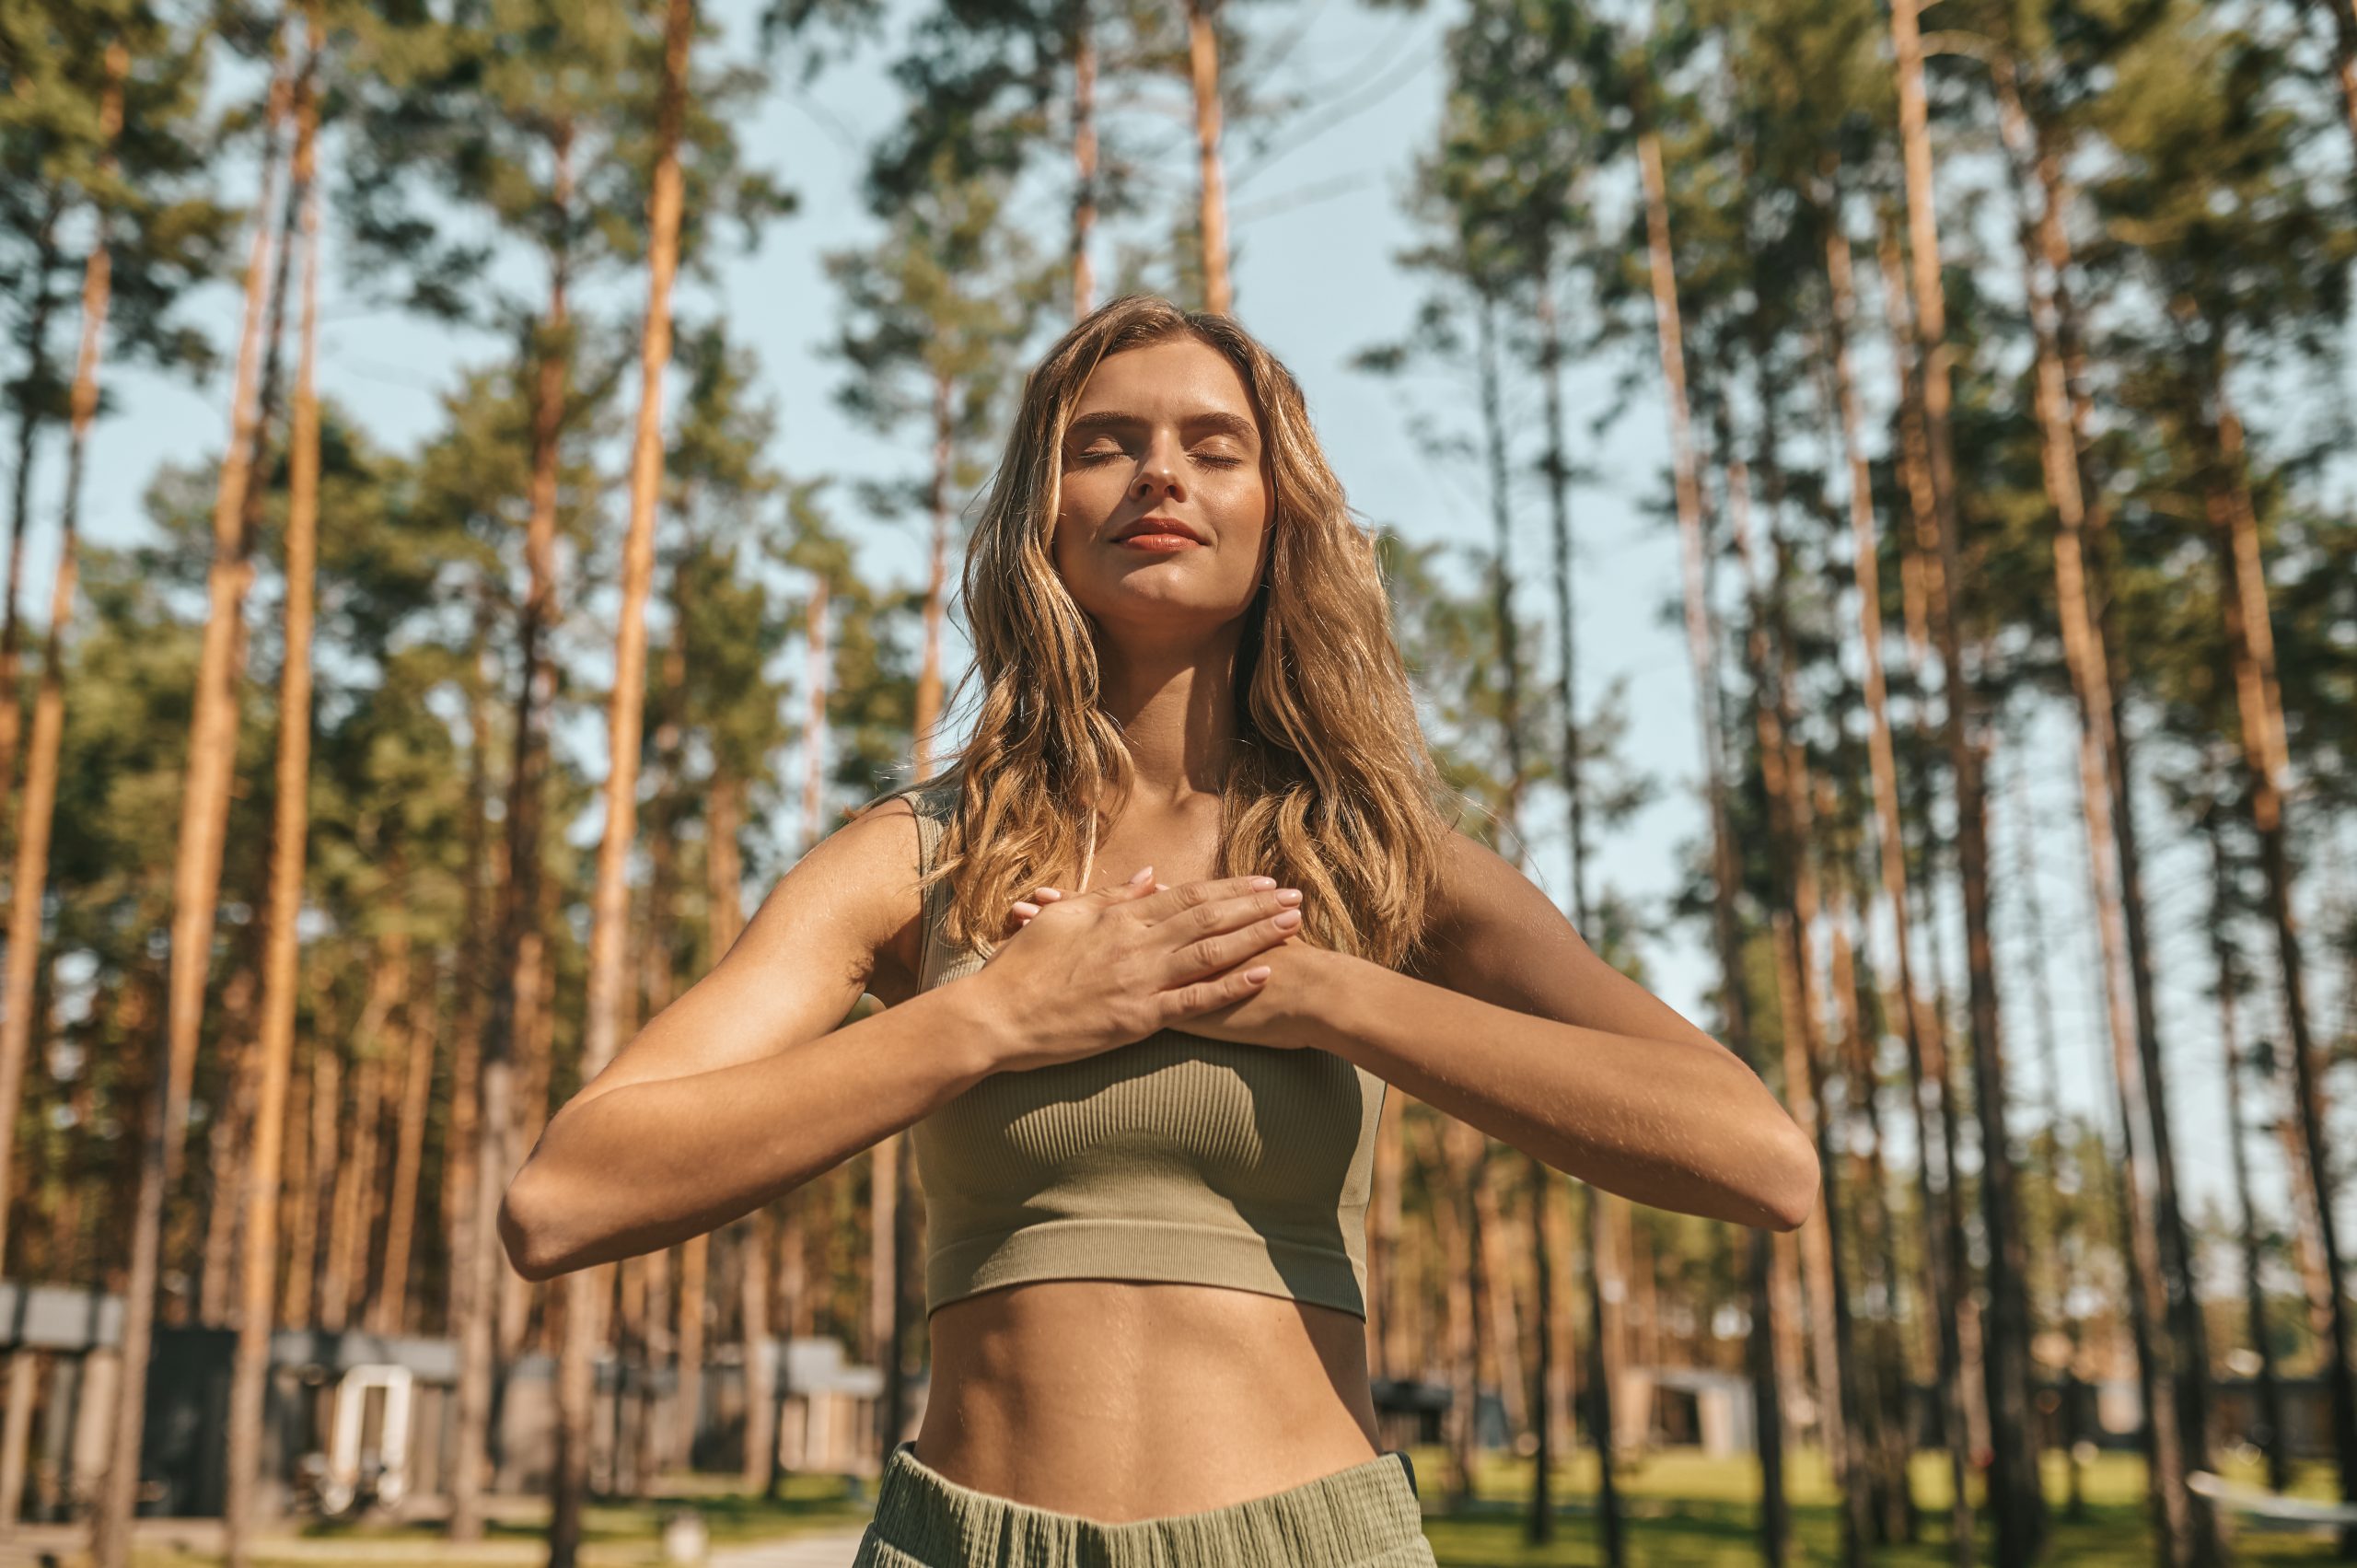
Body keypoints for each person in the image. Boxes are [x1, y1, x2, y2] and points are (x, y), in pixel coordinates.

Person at [499, 295, 1819, 1567]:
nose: (1158, 478)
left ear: (1277, 512)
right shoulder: (922, 855)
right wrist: (992, 1018)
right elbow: (564, 1195)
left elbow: (1761, 1162)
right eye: (1104, 446)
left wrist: (1324, 997)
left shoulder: (1379, 861)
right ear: (1044, 512)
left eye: (1213, 446)